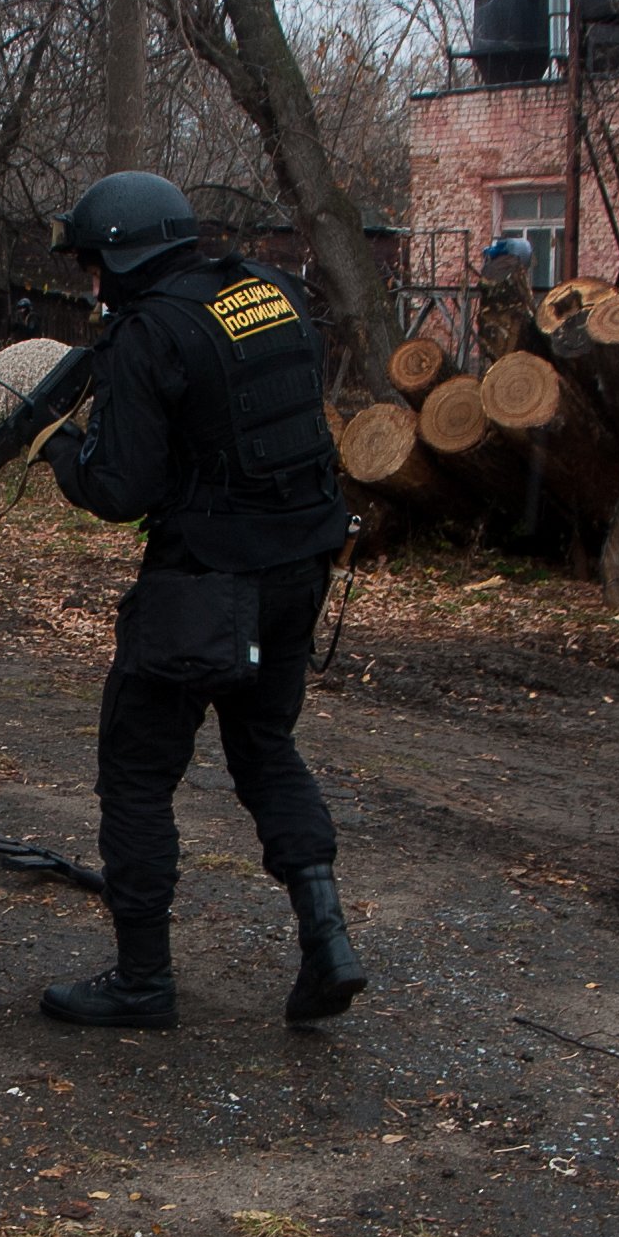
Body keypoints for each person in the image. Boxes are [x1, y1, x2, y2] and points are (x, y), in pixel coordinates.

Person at [36, 170, 366, 1031]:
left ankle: (143, 981)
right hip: (303, 562)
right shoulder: (270, 292)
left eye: (93, 269)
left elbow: (120, 486)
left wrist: (62, 452)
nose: (93, 289)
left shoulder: (149, 334)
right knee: (266, 747)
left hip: (206, 579)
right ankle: (328, 942)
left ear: (121, 255)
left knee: (137, 772)